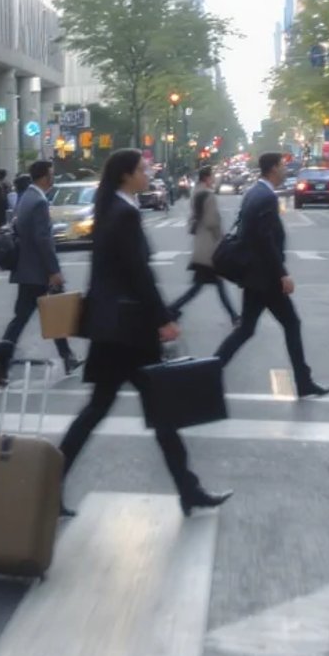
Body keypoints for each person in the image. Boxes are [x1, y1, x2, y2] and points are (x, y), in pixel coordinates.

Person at [58, 149, 232, 519]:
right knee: (157, 412)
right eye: (142, 169)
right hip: (130, 330)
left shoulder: (111, 209)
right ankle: (189, 490)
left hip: (113, 329)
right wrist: (161, 318)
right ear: (126, 175)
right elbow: (138, 274)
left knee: (102, 410)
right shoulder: (123, 213)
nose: (148, 172)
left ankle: (188, 489)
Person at [212, 153, 329, 397]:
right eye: (282, 166)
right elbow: (264, 240)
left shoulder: (254, 193)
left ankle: (209, 370)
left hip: (255, 276)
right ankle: (303, 382)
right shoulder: (265, 197)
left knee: (246, 330)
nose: (285, 169)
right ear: (273, 169)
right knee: (291, 323)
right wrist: (282, 274)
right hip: (265, 277)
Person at [0, 160, 81, 386]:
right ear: (43, 177)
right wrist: (54, 271)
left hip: (27, 269)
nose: (53, 179)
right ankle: (2, 362)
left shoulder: (26, 197)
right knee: (35, 316)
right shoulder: (39, 201)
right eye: (51, 174)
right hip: (38, 271)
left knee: (43, 315)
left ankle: (67, 356)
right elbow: (43, 240)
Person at [168, 167, 240, 323]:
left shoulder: (196, 193)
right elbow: (212, 221)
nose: (214, 178)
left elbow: (195, 218)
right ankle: (171, 309)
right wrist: (220, 238)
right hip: (210, 248)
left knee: (202, 286)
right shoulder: (208, 195)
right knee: (207, 286)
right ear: (207, 178)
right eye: (212, 176)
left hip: (201, 245)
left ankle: (233, 315)